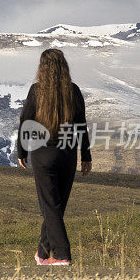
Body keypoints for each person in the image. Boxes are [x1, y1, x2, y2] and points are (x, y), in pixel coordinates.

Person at [17, 48, 91, 266]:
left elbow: (25, 122)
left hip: (43, 154)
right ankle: (42, 253)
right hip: (68, 155)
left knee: (51, 207)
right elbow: (81, 127)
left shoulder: (36, 90)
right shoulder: (74, 91)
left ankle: (60, 255)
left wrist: (21, 152)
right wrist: (86, 156)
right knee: (55, 207)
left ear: (42, 68)